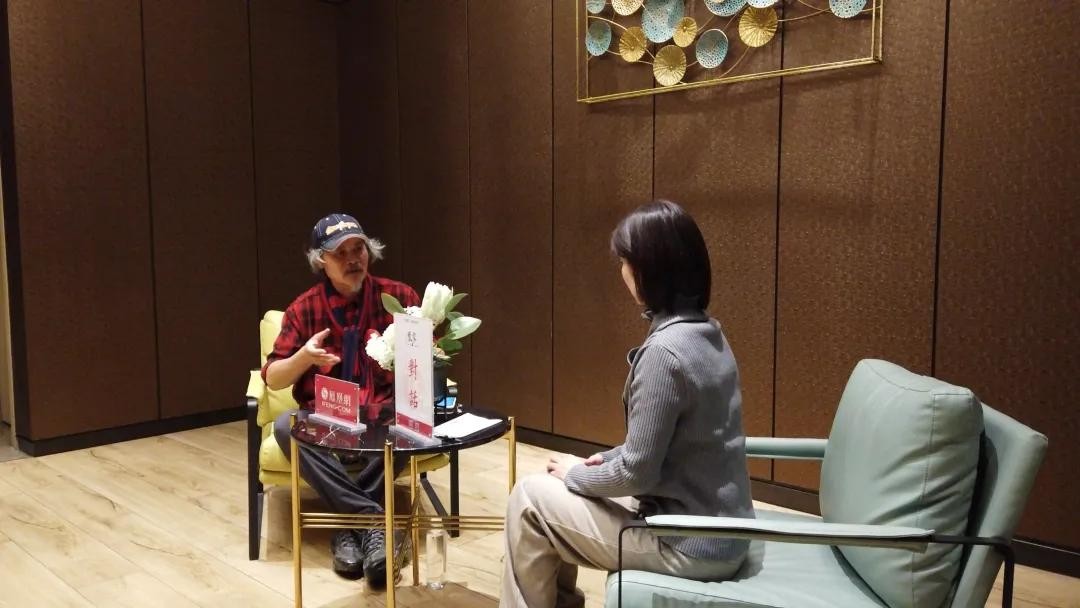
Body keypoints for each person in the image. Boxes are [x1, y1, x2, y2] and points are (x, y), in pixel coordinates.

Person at [500, 200, 755, 608]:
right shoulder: (707, 333)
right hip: (723, 531)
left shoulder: (665, 353)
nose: (621, 272)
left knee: (529, 499)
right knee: (554, 486)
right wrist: (601, 462)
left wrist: (577, 475)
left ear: (649, 270)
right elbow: (672, 443)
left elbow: (637, 473)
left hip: (689, 545)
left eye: (625, 262)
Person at [262, 212, 419, 587]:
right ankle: (374, 523)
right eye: (340, 253)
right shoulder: (304, 309)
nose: (352, 260)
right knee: (285, 426)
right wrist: (304, 357)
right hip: (327, 422)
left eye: (358, 249)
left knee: (415, 419)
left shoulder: (399, 299)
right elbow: (273, 378)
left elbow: (426, 360)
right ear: (321, 261)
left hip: (383, 419)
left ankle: (349, 528)